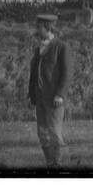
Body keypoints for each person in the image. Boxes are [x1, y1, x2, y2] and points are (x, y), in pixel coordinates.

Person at [28, 14, 71, 169]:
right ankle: (50, 163)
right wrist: (32, 94)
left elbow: (67, 73)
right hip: (40, 98)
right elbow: (34, 74)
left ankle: (57, 164)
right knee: (42, 133)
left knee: (54, 133)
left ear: (47, 28)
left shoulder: (61, 47)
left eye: (39, 27)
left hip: (54, 99)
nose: (37, 30)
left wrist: (60, 94)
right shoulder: (38, 48)